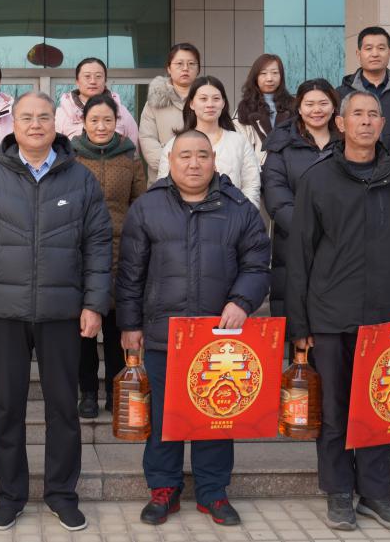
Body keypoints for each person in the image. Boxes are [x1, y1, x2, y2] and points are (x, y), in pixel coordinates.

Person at [0, 92, 112, 533]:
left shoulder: (80, 179)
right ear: (14, 125)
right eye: (26, 117)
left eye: (44, 116)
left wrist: (94, 304)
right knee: (7, 408)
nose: (35, 124)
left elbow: (99, 245)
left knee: (63, 407)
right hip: (4, 312)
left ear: (56, 123)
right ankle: (10, 496)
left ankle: (62, 494)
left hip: (62, 312)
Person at [285, 90, 390, 532]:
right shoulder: (318, 178)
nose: (366, 121)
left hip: (387, 317)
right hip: (330, 315)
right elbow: (300, 255)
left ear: (383, 123)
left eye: (374, 114)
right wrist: (300, 324)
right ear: (341, 123)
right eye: (358, 114)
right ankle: (338, 492)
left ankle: (375, 494)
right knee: (333, 411)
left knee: (380, 408)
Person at [116, 130, 270, 527]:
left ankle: (213, 491)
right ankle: (163, 489)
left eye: (202, 155)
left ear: (214, 161)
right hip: (163, 334)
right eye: (185, 155)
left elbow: (257, 264)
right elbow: (130, 274)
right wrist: (130, 325)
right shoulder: (147, 207)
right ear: (170, 161)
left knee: (216, 414)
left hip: (219, 336)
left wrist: (242, 301)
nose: (194, 163)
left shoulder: (239, 209)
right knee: (163, 419)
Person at [70, 93, 146, 419]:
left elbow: (140, 204)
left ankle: (116, 392)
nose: (101, 126)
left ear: (117, 122)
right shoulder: (70, 158)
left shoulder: (130, 158)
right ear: (83, 122)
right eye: (94, 120)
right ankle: (87, 392)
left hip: (120, 250)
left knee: (117, 326)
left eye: (108, 120)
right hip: (80, 251)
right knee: (84, 329)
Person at [260, 79, 340, 318]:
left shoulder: (348, 142)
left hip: (341, 242)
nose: (317, 110)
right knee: (296, 316)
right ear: (299, 108)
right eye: (309, 104)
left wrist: (337, 230)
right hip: (294, 240)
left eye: (323, 103)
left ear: (334, 106)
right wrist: (309, 229)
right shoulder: (282, 144)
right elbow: (276, 195)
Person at [156, 76, 260, 207]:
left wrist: (245, 215)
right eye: (203, 99)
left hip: (233, 217)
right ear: (192, 103)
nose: (210, 104)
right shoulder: (174, 144)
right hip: (184, 216)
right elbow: (164, 186)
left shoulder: (239, 142)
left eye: (216, 99)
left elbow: (251, 186)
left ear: (223, 103)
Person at [337, 26, 390, 153]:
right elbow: (337, 134)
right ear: (358, 54)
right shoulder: (341, 93)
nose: (375, 54)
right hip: (353, 162)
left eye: (381, 48)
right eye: (368, 48)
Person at [139, 43, 201, 181]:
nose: (185, 68)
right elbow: (147, 138)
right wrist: (173, 167)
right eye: (179, 63)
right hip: (164, 179)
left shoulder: (207, 100)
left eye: (191, 64)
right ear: (169, 68)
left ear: (198, 69)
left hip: (201, 177)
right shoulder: (154, 102)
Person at [54, 57, 140, 153]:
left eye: (98, 76)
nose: (93, 81)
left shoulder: (121, 111)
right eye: (87, 76)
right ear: (77, 81)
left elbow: (133, 149)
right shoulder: (61, 114)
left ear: (105, 80)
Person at [234, 53, 294, 163]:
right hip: (257, 168)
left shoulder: (293, 106)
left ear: (281, 76)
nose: (269, 78)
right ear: (255, 77)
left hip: (289, 167)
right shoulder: (244, 108)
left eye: (275, 73)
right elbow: (238, 146)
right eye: (263, 73)